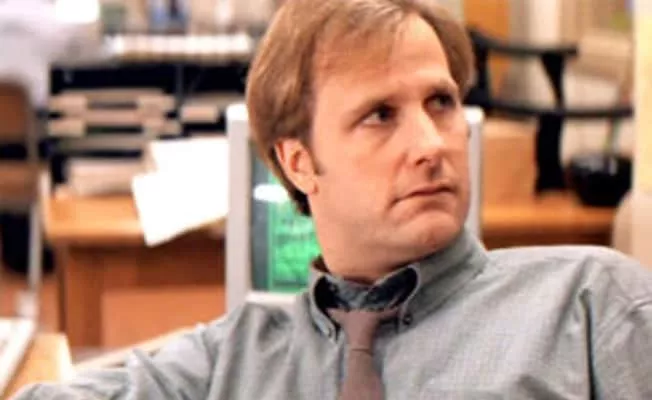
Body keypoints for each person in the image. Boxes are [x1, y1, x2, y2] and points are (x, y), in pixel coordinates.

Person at [14, 0, 652, 398]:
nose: (431, 143)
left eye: (441, 102)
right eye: (380, 115)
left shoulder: (590, 304)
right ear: (299, 163)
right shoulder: (230, 361)